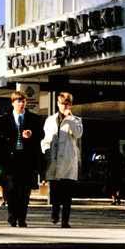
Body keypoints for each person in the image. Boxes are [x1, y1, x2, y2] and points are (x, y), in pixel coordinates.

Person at [0, 90, 44, 227]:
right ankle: (12, 215)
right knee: (11, 189)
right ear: (13, 103)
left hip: (27, 160)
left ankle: (22, 218)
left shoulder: (34, 119)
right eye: (18, 101)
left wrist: (31, 134)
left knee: (24, 191)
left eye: (23, 101)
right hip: (10, 161)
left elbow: (41, 134)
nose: (21, 104)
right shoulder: (3, 120)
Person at [41, 92, 83, 228]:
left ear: (71, 105)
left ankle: (65, 220)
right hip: (53, 159)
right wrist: (45, 150)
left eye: (67, 103)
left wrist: (70, 119)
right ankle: (54, 213)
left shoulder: (76, 120)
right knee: (54, 191)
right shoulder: (50, 120)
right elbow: (46, 138)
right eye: (62, 103)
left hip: (68, 161)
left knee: (66, 194)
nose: (64, 106)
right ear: (58, 104)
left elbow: (78, 134)